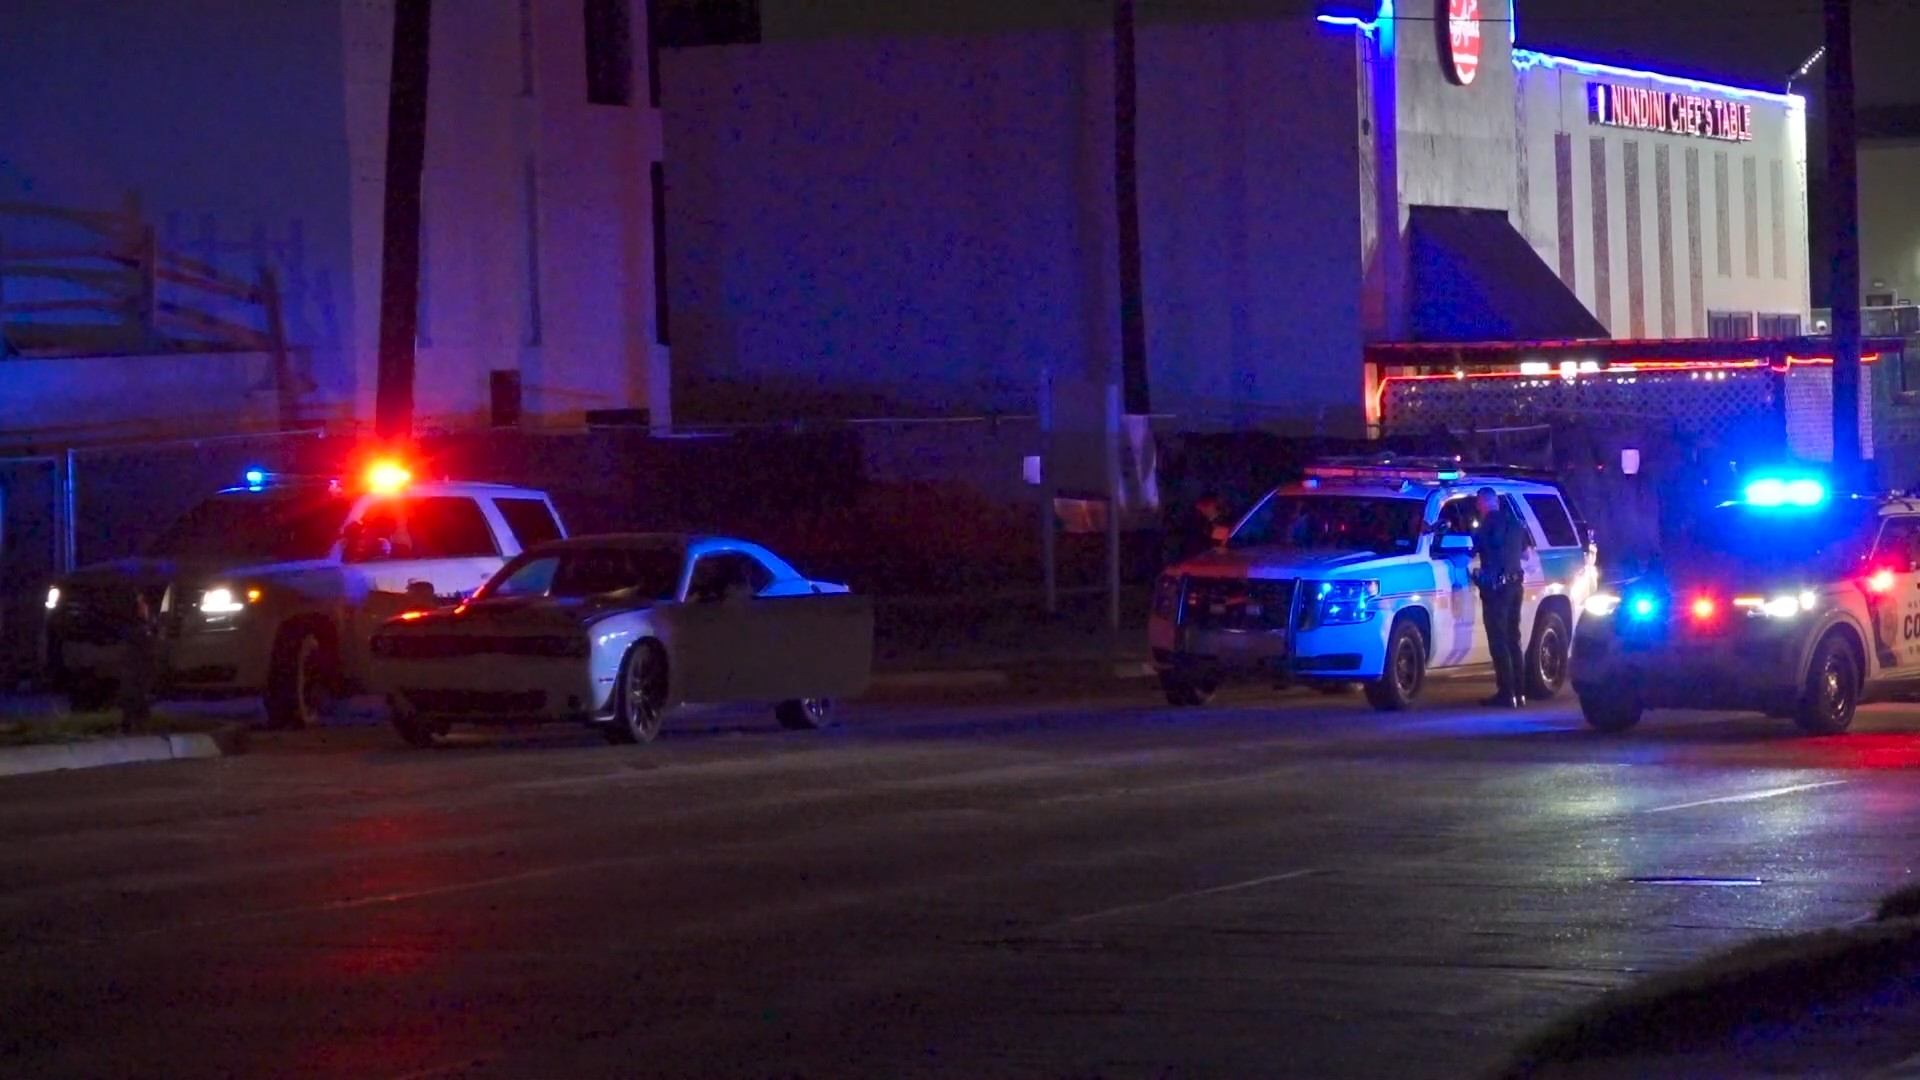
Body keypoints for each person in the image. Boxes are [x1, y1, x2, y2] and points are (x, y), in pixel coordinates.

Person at [1472, 487, 1533, 708]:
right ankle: (1520, 693)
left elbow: (1471, 553)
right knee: (1513, 639)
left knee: (1498, 641)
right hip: (1516, 585)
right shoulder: (1516, 523)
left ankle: (1506, 694)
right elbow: (1527, 554)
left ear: (1481, 503)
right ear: (1496, 502)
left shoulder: (1484, 526)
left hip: (1497, 589)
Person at [1164, 492, 1227, 567]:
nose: (1198, 509)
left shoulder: (1221, 525)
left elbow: (1215, 548)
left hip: (1208, 563)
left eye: (1202, 506)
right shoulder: (1199, 523)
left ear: (1211, 505)